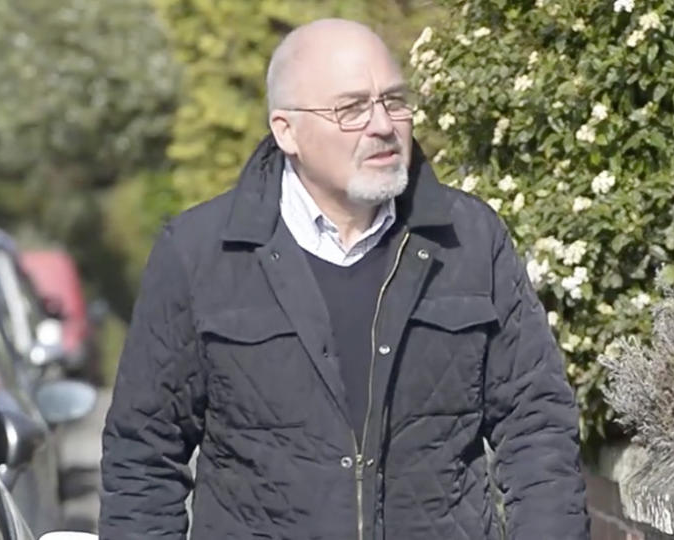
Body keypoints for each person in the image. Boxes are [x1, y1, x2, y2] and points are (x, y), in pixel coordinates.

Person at [99, 18, 589, 540]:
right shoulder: (199, 253)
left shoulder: (469, 241)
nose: (383, 125)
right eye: (351, 108)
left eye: (394, 101)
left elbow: (538, 429)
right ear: (286, 130)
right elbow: (143, 455)